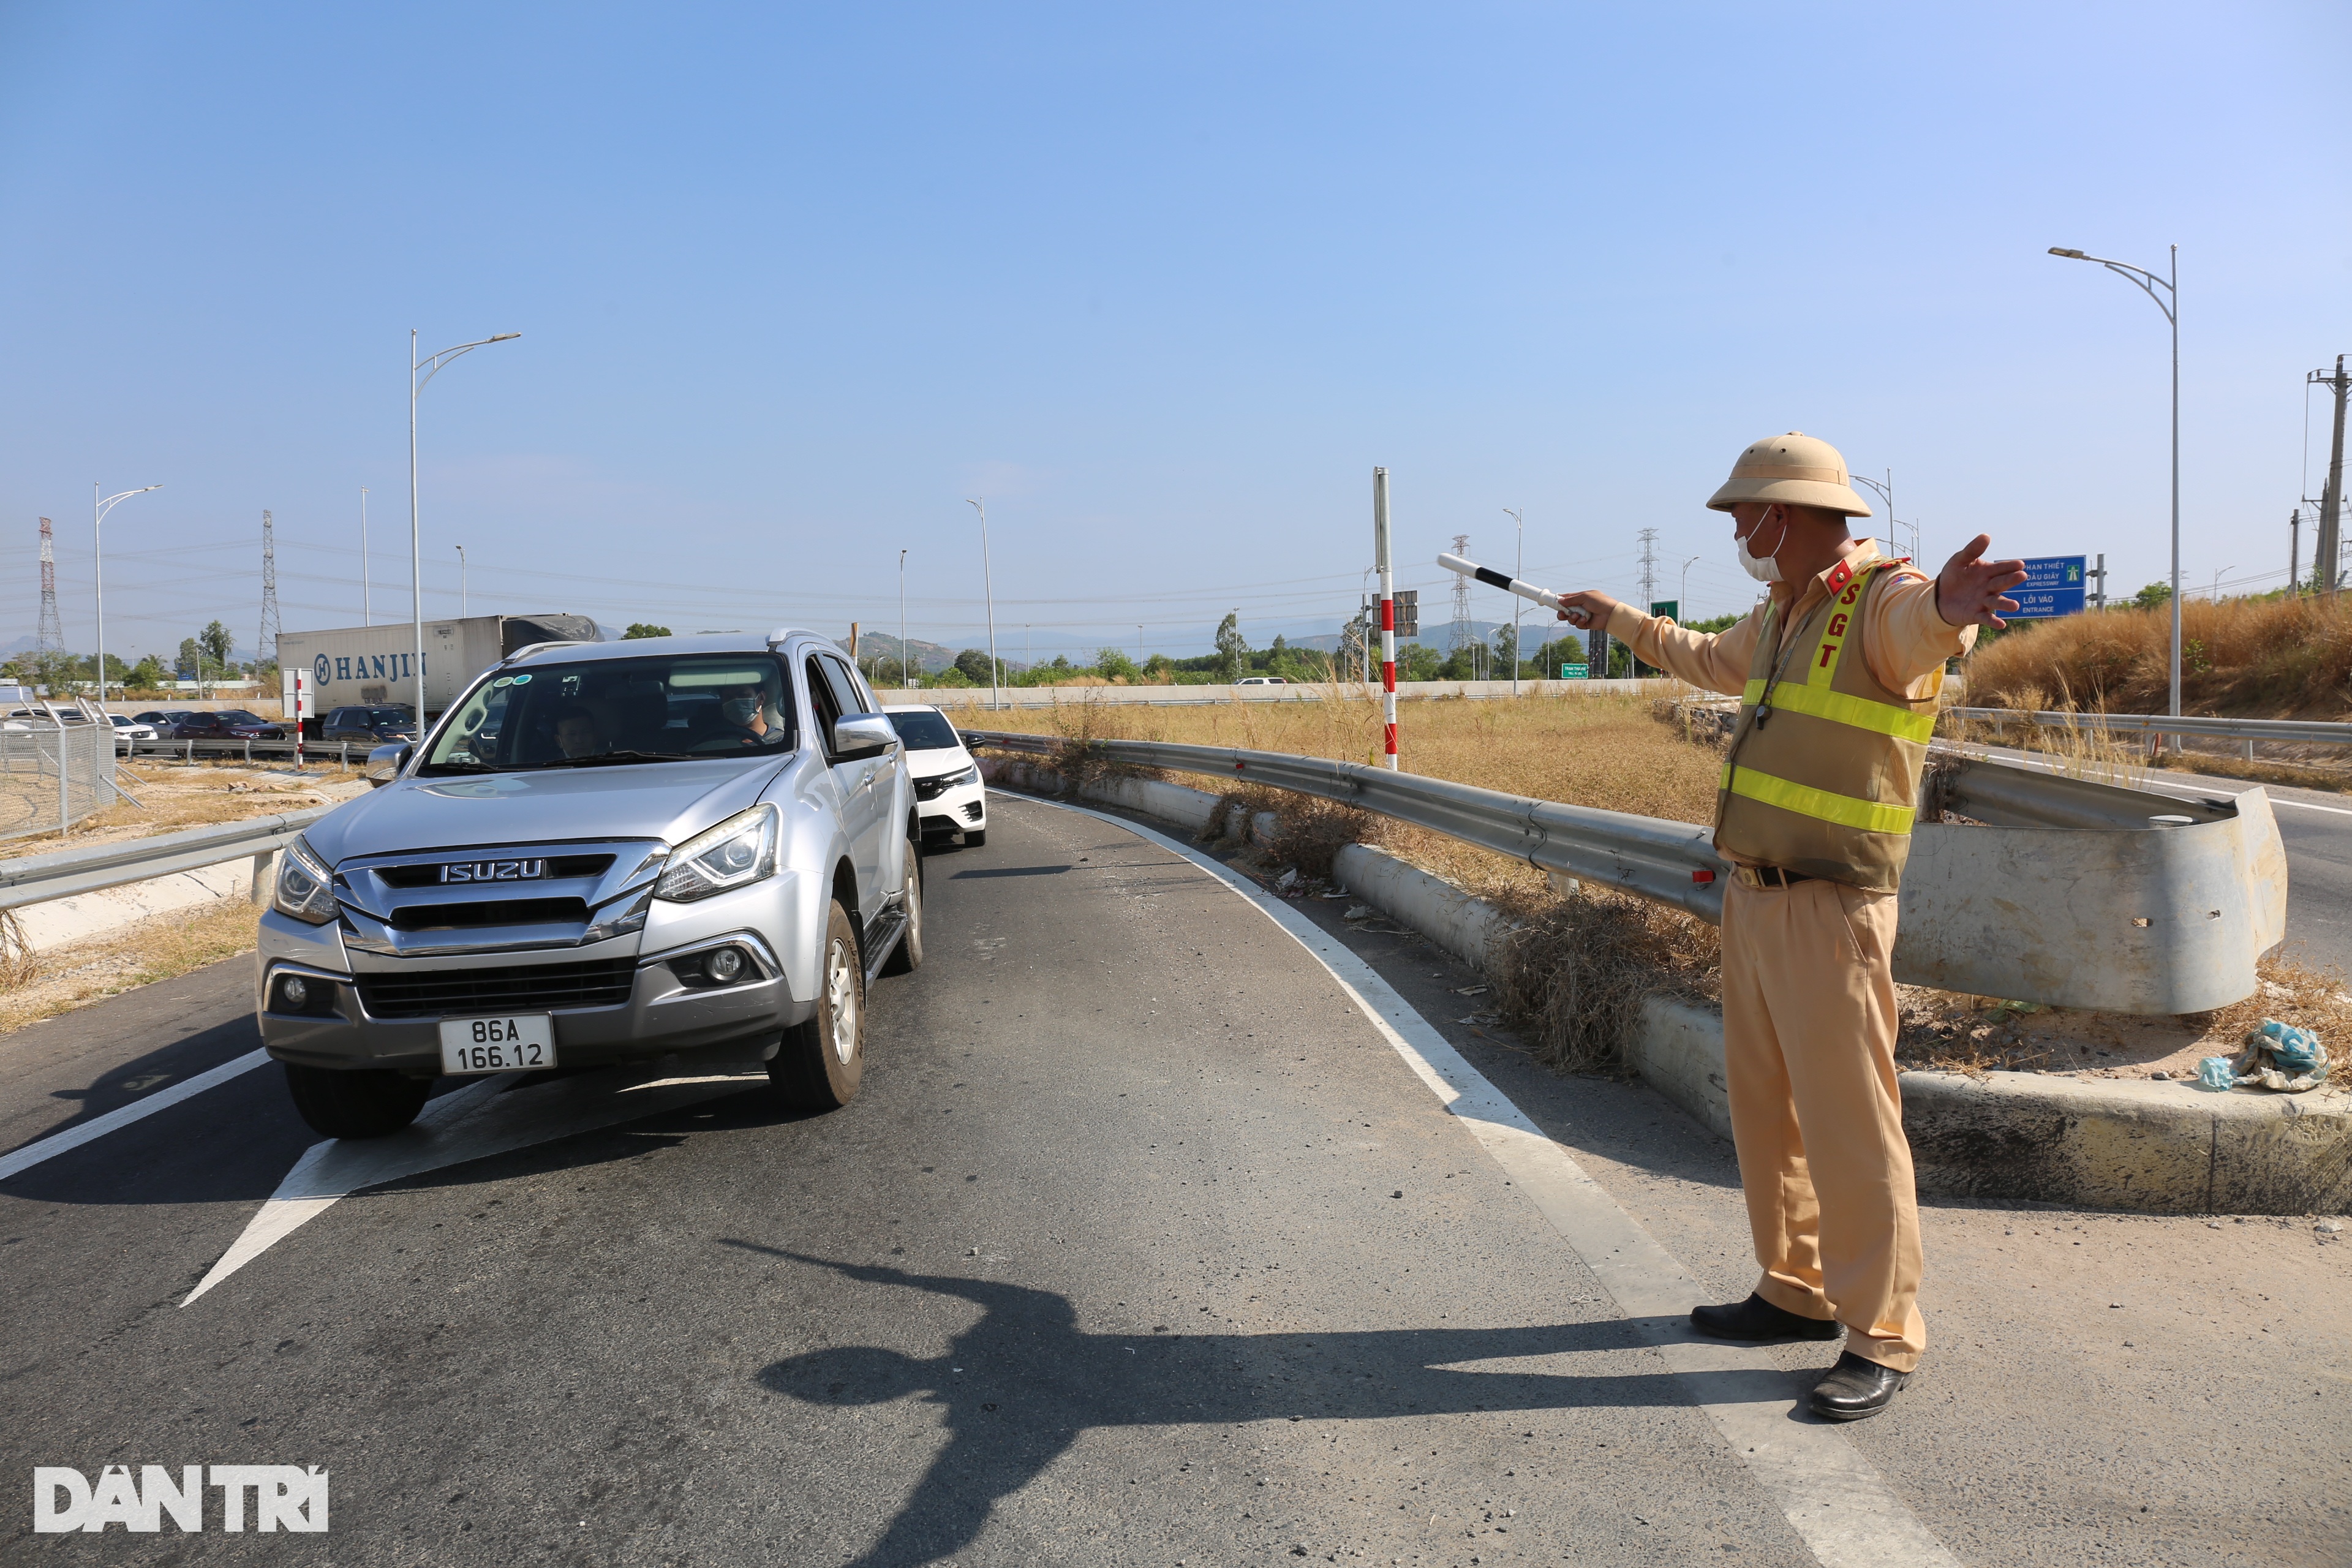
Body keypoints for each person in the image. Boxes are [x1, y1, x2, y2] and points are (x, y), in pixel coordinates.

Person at [1551, 432, 2026, 1422]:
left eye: (1742, 516)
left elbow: (1925, 630)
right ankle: (1796, 1288)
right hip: (1756, 898)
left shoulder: (1881, 601)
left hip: (1832, 905)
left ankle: (1884, 1331)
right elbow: (1700, 658)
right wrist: (1616, 617)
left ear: (1791, 513)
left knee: (1852, 1121)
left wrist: (1952, 606)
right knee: (1771, 1113)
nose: (1735, 532)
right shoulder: (1779, 614)